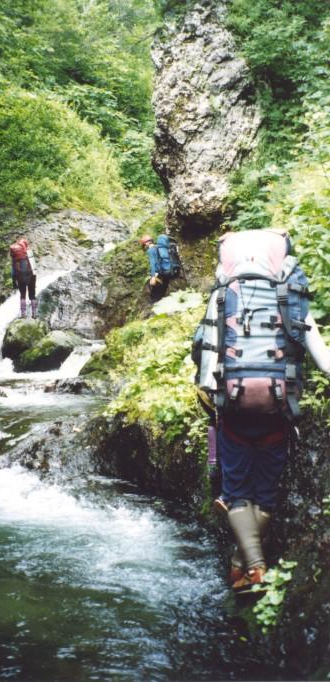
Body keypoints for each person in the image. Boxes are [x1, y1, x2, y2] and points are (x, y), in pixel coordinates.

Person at [192, 229, 330, 592]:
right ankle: (247, 567)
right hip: (278, 408)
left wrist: (210, 392)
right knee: (265, 493)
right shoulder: (290, 294)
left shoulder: (223, 295)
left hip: (234, 411)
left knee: (236, 491)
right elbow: (324, 361)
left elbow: (205, 354)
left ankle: (250, 566)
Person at [140, 233, 181, 302]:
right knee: (162, 288)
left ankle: (154, 303)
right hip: (173, 270)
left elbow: (154, 264)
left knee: (155, 291)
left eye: (144, 245)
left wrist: (153, 277)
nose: (145, 247)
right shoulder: (163, 248)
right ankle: (160, 301)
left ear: (146, 243)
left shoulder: (151, 250)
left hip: (164, 273)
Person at [9, 238, 37, 318]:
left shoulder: (15, 259)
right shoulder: (29, 253)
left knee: (23, 295)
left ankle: (23, 314)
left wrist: (14, 281)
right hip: (31, 275)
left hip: (20, 276)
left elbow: (13, 271)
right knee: (32, 295)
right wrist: (34, 279)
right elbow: (34, 267)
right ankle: (34, 314)